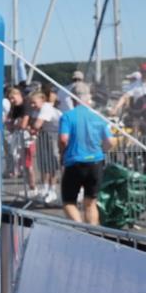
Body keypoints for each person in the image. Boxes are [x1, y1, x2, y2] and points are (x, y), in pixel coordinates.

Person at [58, 82, 115, 225]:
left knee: (68, 202)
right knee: (90, 202)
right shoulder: (98, 116)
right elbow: (111, 141)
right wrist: (102, 151)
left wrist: (62, 153)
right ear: (88, 98)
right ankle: (94, 234)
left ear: (72, 99)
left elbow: (63, 139)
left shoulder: (68, 116)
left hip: (74, 162)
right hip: (95, 162)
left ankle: (81, 230)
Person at [29, 89, 61, 204]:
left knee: (52, 163)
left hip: (56, 135)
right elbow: (33, 124)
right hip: (46, 135)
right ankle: (45, 189)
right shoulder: (36, 110)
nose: (32, 105)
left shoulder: (46, 107)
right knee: (44, 163)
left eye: (34, 102)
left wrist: (32, 128)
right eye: (31, 103)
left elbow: (36, 125)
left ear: (42, 100)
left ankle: (52, 190)